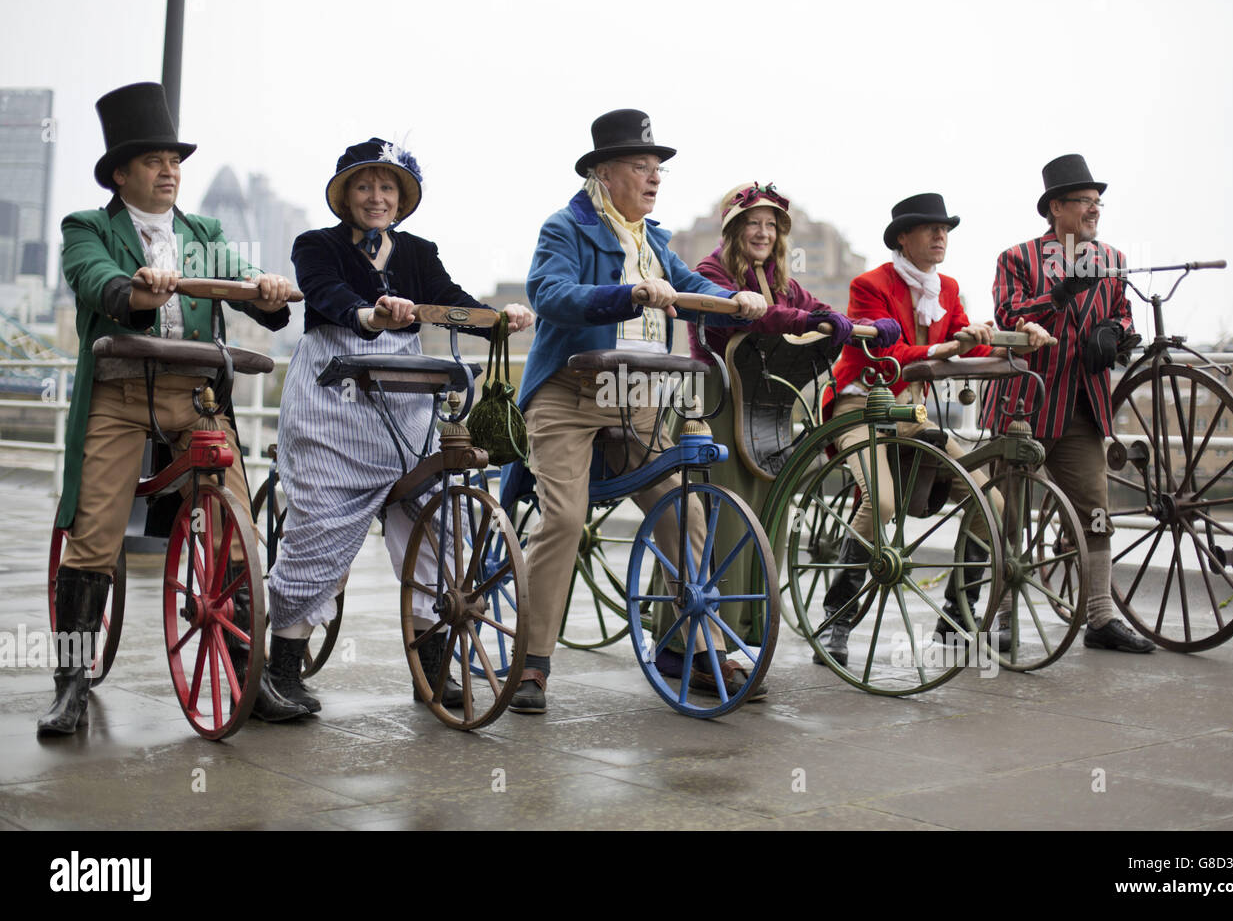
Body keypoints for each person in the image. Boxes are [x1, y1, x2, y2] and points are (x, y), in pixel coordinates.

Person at [43, 82, 297, 735]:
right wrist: (138, 288)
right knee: (95, 535)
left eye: (175, 160)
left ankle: (249, 675)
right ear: (121, 172)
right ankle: (70, 685)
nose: (168, 171)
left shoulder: (202, 232)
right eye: (153, 160)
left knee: (234, 525)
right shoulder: (88, 228)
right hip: (119, 397)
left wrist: (264, 291)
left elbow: (242, 289)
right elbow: (96, 281)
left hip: (196, 398)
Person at [509, 109, 766, 713]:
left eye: (658, 170)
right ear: (603, 172)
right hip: (569, 397)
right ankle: (533, 662)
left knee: (685, 511)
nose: (653, 179)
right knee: (565, 521)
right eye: (640, 167)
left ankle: (693, 649)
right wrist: (624, 295)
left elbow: (692, 290)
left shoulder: (653, 242)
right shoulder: (565, 228)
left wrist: (737, 300)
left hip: (635, 399)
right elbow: (547, 295)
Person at [264, 138, 533, 715]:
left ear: (403, 198)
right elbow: (326, 294)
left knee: (439, 520)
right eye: (364, 185)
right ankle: (280, 673)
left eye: (388, 187)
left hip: (405, 401)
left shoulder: (417, 251)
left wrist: (499, 321)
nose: (376, 197)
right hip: (331, 398)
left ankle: (430, 670)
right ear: (344, 195)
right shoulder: (316, 245)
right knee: (321, 524)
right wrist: (369, 314)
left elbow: (449, 300)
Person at [670, 182, 899, 672]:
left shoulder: (779, 277)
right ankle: (694, 641)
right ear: (735, 230)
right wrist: (804, 319)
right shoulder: (711, 270)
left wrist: (854, 324)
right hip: (718, 402)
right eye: (754, 223)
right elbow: (741, 319)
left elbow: (812, 309)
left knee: (768, 513)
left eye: (771, 225)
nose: (763, 232)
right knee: (724, 520)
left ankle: (748, 630)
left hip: (766, 406)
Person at [823, 193, 1050, 665]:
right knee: (881, 500)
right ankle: (837, 619)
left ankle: (956, 614)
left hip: (913, 417)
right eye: (930, 228)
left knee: (993, 499)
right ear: (903, 238)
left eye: (945, 228)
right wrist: (941, 349)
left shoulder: (947, 289)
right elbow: (879, 353)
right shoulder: (869, 284)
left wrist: (1019, 337)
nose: (941, 236)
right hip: (861, 405)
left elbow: (968, 347)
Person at [981, 155, 1154, 652]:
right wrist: (1058, 294)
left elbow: (1123, 316)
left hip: (1082, 407)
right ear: (1056, 207)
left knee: (1096, 513)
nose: (1094, 209)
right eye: (1083, 201)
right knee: (1007, 514)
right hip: (1024, 406)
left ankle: (1100, 617)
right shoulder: (1016, 258)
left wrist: (1114, 334)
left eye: (1098, 202)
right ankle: (1001, 614)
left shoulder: (1114, 259)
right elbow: (1008, 316)